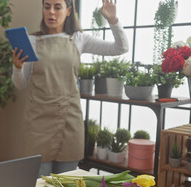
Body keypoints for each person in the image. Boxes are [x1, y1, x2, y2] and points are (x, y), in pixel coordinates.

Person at [12, 0, 128, 176]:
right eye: (47, 6)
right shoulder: (32, 41)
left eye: (57, 7)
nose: (51, 12)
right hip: (38, 123)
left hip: (69, 120)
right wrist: (17, 67)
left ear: (68, 11)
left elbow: (121, 48)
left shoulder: (79, 39)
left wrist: (113, 20)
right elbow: (20, 84)